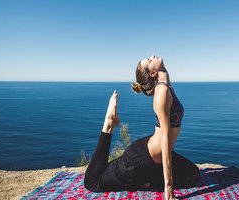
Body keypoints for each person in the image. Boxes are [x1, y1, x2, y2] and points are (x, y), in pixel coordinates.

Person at [84, 55, 200, 199]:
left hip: (153, 155)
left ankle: (146, 180)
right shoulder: (162, 91)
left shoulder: (165, 84)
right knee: (93, 182)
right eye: (149, 60)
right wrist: (168, 190)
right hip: (140, 160)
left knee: (194, 175)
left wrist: (161, 70)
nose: (152, 56)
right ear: (152, 73)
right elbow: (165, 140)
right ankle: (109, 124)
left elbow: (163, 75)